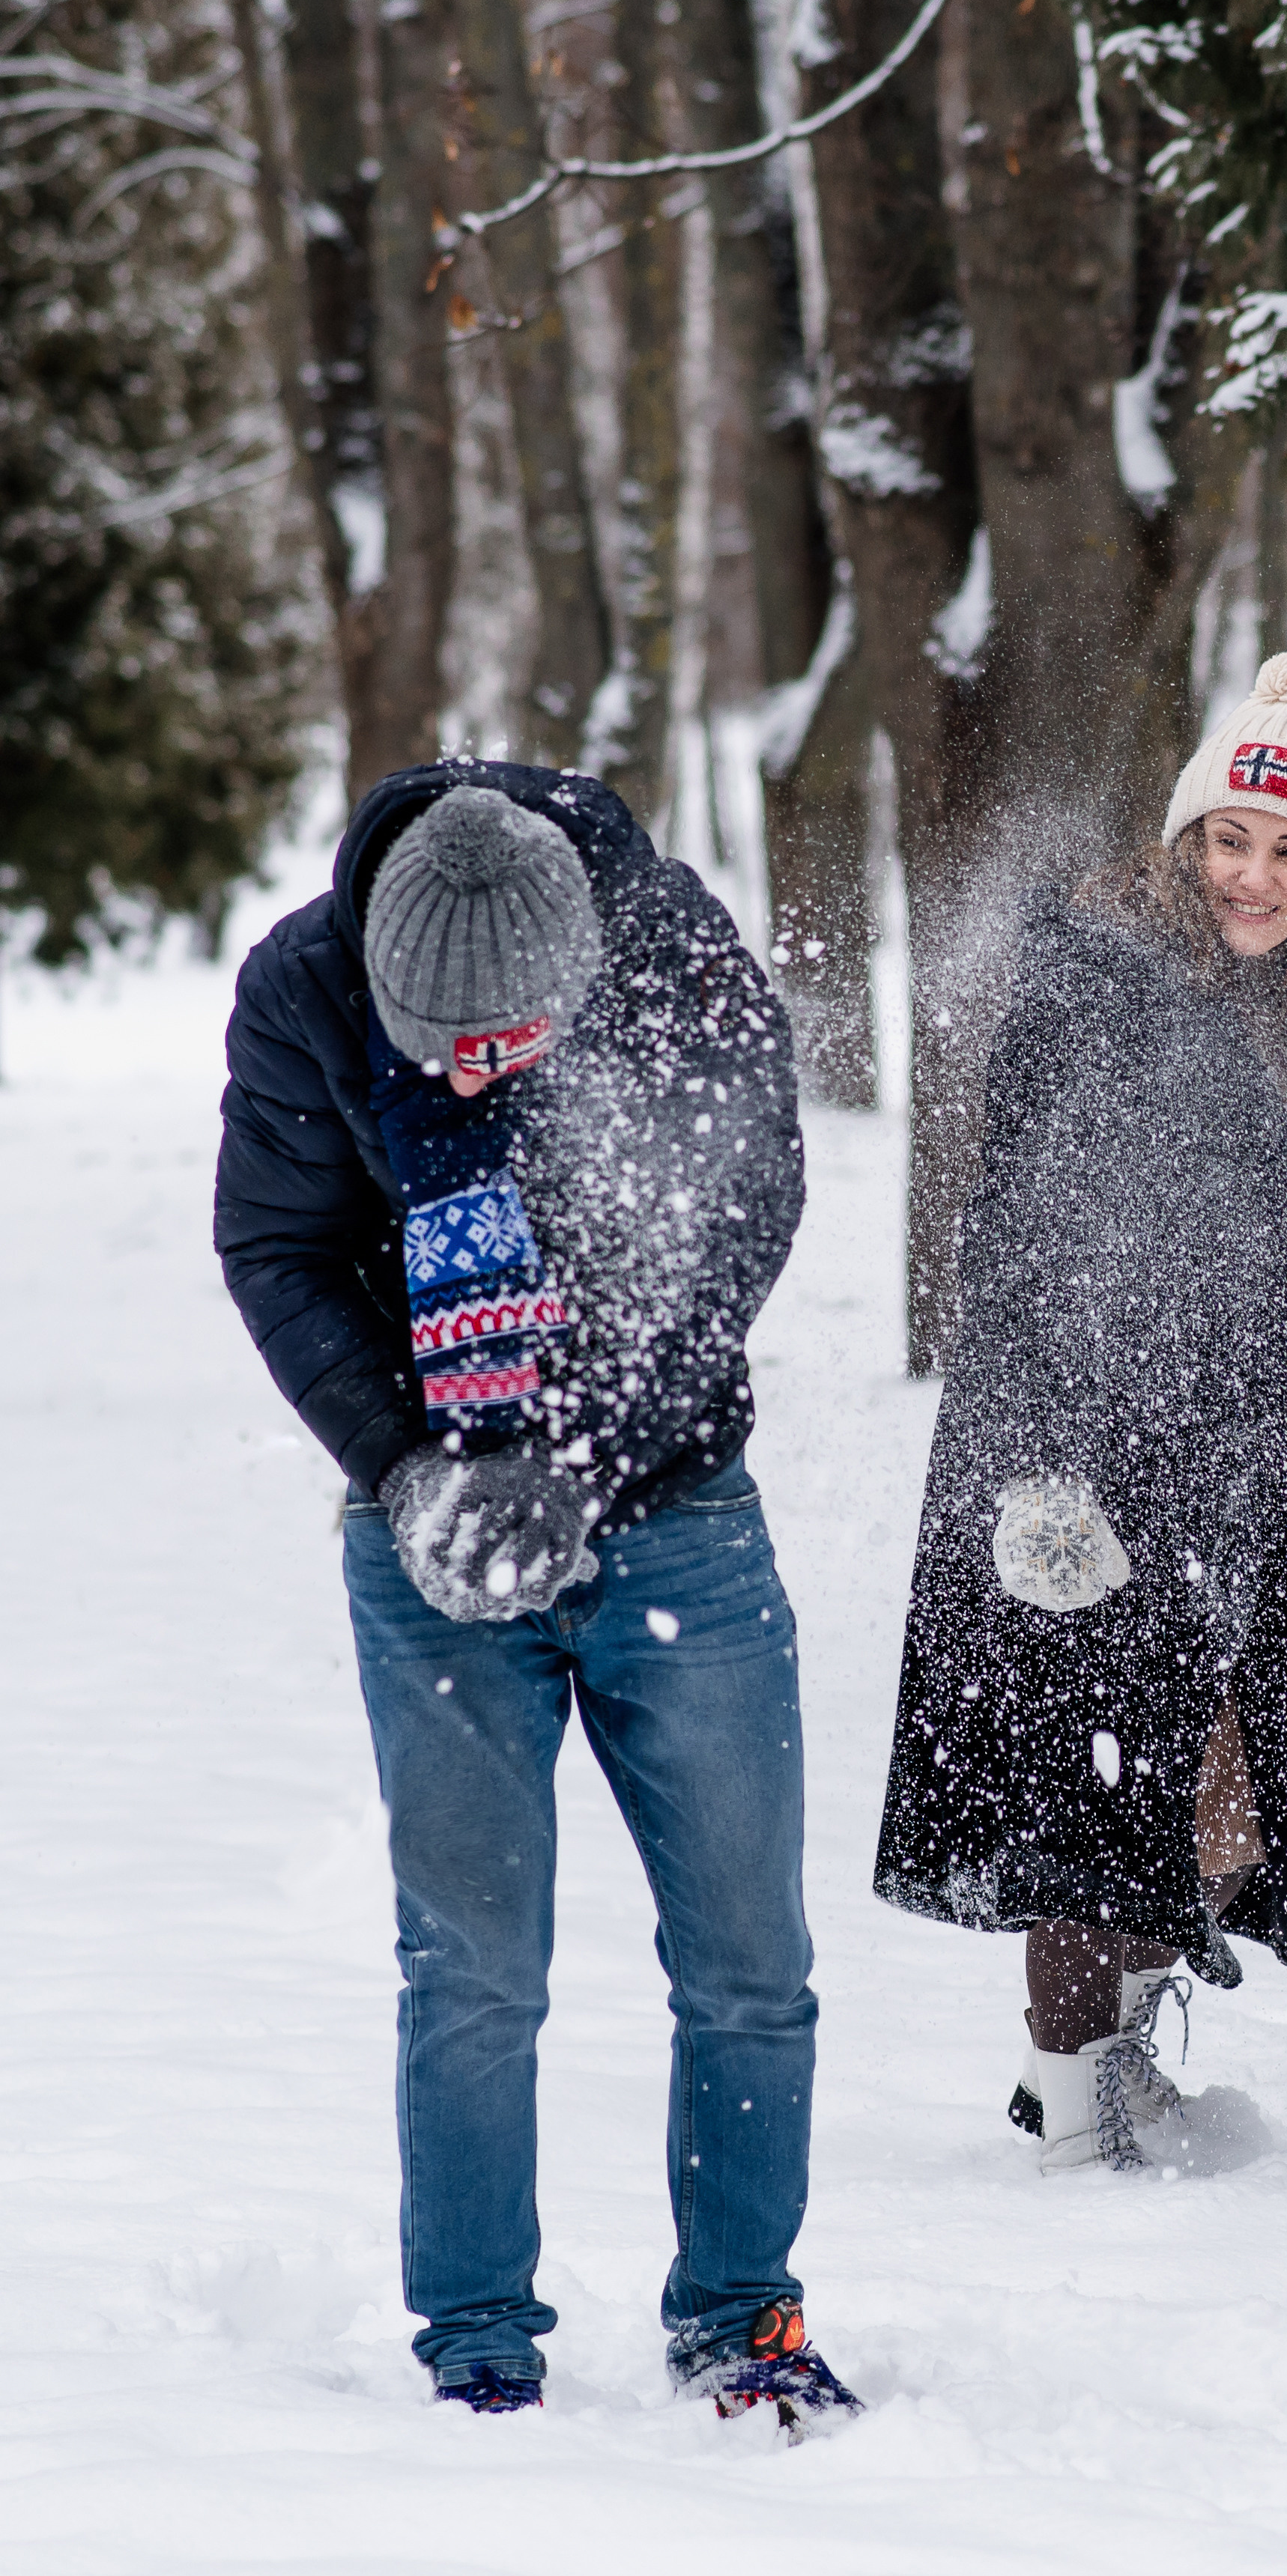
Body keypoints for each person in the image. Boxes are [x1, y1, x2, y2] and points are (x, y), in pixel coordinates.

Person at [215, 760, 860, 2431]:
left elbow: (742, 1218)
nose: (491, 1071)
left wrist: (579, 1449)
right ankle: (478, 2340)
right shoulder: (304, 990)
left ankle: (742, 2316)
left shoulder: (674, 952)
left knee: (745, 1957)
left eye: (522, 1039)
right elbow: (277, 1248)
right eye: (457, 1049)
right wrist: (410, 1466)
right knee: (474, 1967)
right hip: (430, 1551)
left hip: (676, 1520)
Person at [873, 652, 1287, 2172]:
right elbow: (1011, 1235)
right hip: (1077, 1447)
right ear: (1186, 841)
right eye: (1229, 839)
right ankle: (1072, 2107)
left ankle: (1111, 2056)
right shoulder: (1094, 984)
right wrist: (1033, 1477)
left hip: (1228, 1460)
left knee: (1215, 1797)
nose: (1252, 874)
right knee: (1086, 1780)